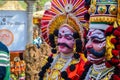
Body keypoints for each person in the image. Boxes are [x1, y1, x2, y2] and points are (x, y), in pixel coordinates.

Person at [39, 0, 89, 80]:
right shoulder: (51, 59)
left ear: (76, 40)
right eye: (59, 36)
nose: (62, 41)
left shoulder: (82, 64)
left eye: (68, 37)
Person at [80, 0, 120, 80]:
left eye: (96, 41)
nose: (87, 45)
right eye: (88, 39)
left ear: (111, 42)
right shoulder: (88, 70)